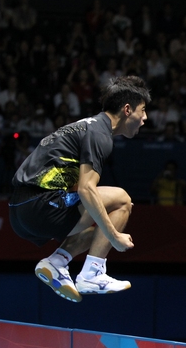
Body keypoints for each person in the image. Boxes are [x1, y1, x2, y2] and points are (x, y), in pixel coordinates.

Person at [8, 76, 150, 302]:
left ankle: (56, 262)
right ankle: (92, 274)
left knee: (104, 226)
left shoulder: (87, 126)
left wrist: (109, 233)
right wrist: (114, 238)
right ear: (127, 109)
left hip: (20, 212)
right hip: (40, 206)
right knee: (122, 200)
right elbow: (86, 189)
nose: (145, 118)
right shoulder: (100, 134)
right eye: (142, 110)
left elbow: (73, 186)